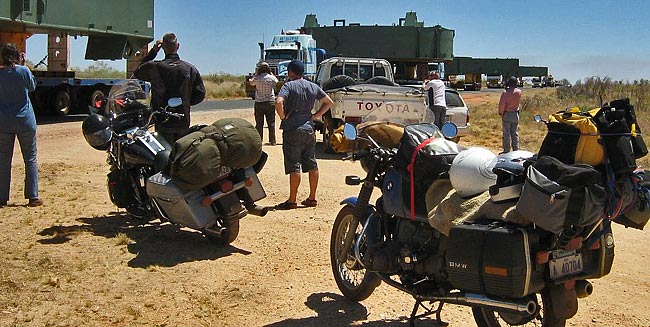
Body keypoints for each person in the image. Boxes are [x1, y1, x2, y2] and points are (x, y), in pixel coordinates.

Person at [274, 60, 333, 210]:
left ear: (290, 72)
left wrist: (282, 117)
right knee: (311, 163)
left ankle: (292, 200)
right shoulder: (312, 86)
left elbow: (279, 102)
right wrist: (315, 116)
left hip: (293, 129)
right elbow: (329, 102)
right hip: (309, 128)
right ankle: (312, 197)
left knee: (294, 166)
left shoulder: (288, 85)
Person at [133, 33, 205, 143]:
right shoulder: (189, 69)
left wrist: (153, 52)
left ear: (163, 48)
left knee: (165, 155)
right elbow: (200, 94)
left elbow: (138, 71)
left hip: (162, 120)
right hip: (182, 120)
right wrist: (184, 103)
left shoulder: (155, 67)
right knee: (181, 154)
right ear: (178, 46)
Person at [0, 43, 42, 207]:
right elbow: (32, 86)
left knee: (4, 161)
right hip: (25, 121)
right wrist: (25, 66)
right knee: (30, 158)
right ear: (18, 56)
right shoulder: (23, 71)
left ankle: (2, 198)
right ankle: (32, 196)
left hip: (4, 122)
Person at [248, 62, 279, 145]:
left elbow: (251, 82)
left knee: (259, 123)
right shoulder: (271, 78)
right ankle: (272, 141)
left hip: (259, 102)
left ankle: (259, 140)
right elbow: (277, 81)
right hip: (270, 101)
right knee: (271, 123)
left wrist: (256, 74)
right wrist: (271, 73)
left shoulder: (257, 78)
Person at [498, 76, 522, 154]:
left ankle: (506, 151)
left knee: (506, 133)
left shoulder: (505, 93)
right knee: (514, 133)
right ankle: (516, 150)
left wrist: (501, 113)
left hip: (507, 114)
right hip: (515, 114)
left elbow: (502, 105)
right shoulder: (519, 92)